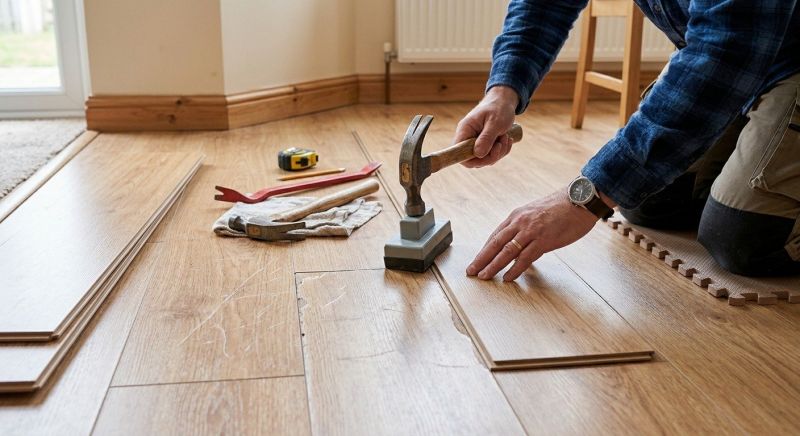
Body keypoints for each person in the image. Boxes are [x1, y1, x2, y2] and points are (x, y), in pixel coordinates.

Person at [459, 0, 800, 282]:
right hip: (738, 67)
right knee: (646, 201)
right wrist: (503, 92)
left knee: (745, 239)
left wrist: (584, 200)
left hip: (781, 61)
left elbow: (727, 49)